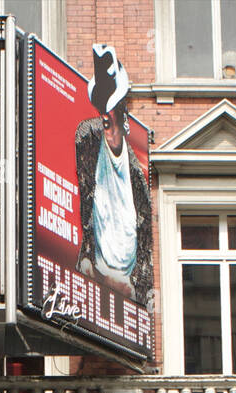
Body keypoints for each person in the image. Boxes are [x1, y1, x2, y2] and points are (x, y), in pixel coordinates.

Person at [75, 44, 152, 303]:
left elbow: (145, 237)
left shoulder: (137, 174)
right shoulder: (87, 139)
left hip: (127, 284)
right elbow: (83, 208)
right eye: (102, 111)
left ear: (123, 116)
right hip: (95, 274)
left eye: (112, 111)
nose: (106, 119)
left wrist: (136, 284)